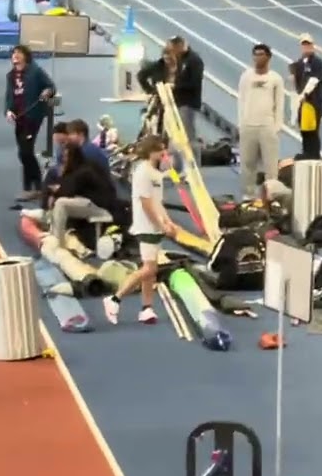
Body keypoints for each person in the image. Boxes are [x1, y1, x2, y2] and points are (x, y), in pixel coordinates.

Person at [103, 135, 176, 325]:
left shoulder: (155, 173)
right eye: (161, 149)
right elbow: (146, 204)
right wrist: (161, 225)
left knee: (151, 270)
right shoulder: (143, 172)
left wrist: (169, 222)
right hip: (146, 226)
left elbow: (157, 202)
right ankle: (114, 299)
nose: (164, 153)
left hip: (154, 225)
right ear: (151, 151)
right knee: (149, 268)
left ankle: (146, 308)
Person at [4, 45, 56, 202]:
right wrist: (8, 110)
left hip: (33, 116)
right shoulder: (11, 76)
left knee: (26, 151)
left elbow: (51, 86)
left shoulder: (36, 71)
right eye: (13, 53)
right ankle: (35, 186)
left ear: (26, 56)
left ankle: (33, 188)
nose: (15, 56)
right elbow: (9, 96)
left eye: (18, 53)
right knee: (23, 152)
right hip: (19, 117)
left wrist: (46, 92)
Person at [236, 43, 285, 197]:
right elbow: (241, 100)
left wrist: (276, 127)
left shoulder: (275, 79)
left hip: (267, 127)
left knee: (271, 167)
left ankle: (271, 197)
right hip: (248, 126)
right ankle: (248, 196)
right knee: (247, 164)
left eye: (261, 55)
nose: (258, 58)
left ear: (268, 57)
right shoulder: (246, 76)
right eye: (255, 55)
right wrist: (241, 123)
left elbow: (280, 104)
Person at [46, 142, 118, 242]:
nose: (64, 159)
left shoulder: (84, 171)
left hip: (98, 205)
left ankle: (57, 240)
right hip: (88, 201)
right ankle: (53, 232)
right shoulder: (79, 167)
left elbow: (68, 190)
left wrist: (56, 191)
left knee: (60, 203)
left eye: (66, 156)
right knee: (59, 202)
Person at [167, 36, 204, 163]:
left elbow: (194, 83)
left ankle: (195, 166)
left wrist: (175, 87)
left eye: (173, 50)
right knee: (176, 137)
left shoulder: (194, 60)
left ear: (180, 46)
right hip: (178, 102)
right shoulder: (181, 59)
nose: (173, 53)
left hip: (188, 103)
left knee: (188, 136)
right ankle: (177, 167)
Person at [290, 33, 322, 160]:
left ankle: (314, 154)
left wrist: (304, 94)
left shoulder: (317, 62)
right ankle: (306, 152)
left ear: (313, 45)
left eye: (308, 44)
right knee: (304, 128)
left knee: (312, 129)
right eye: (304, 45)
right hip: (302, 102)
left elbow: (314, 80)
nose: (306, 47)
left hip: (313, 102)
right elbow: (296, 83)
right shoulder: (300, 63)